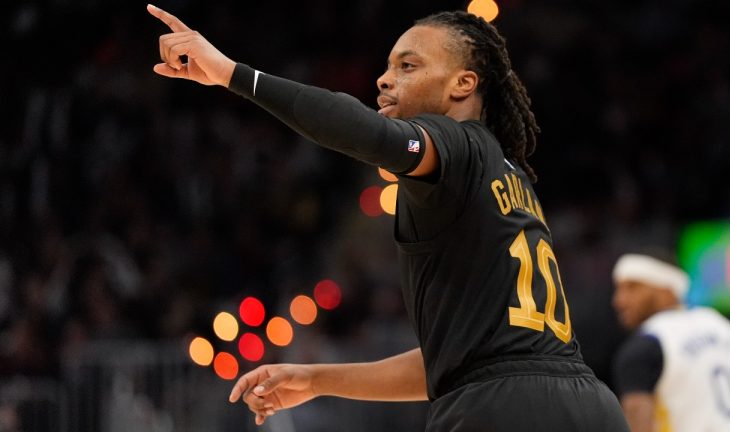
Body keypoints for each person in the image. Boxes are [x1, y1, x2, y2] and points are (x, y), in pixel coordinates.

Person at [147, 4, 629, 430]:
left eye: (408, 65)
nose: (384, 79)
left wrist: (233, 73)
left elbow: (360, 128)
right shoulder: (508, 179)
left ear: (463, 84)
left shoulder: (457, 144)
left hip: (499, 410)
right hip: (590, 407)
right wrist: (317, 379)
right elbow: (458, 361)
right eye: (388, 66)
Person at [612, 253, 730, 432]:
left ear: (667, 290)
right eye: (618, 289)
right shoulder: (724, 325)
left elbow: (638, 423)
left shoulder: (646, 345)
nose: (619, 300)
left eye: (633, 288)